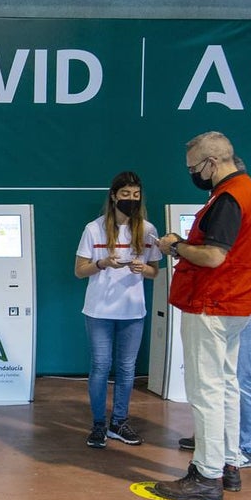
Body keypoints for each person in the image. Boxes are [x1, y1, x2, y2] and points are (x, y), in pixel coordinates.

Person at [154, 132, 251, 500]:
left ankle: (206, 474)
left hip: (212, 303)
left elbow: (213, 256)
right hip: (237, 304)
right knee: (226, 386)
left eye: (194, 168)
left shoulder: (228, 198)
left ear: (212, 163)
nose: (193, 174)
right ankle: (229, 465)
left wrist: (175, 246)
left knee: (206, 392)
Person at [178, 195, 251, 467]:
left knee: (243, 377)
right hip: (234, 303)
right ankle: (219, 441)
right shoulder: (238, 208)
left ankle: (246, 446)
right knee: (222, 378)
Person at [74, 172, 162, 449]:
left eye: (136, 196)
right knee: (101, 366)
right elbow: (79, 271)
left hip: (133, 311)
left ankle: (119, 422)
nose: (131, 200)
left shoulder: (148, 230)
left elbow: (154, 272)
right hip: (98, 311)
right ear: (114, 196)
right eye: (126, 195)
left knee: (126, 369)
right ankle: (98, 423)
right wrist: (102, 264)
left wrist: (142, 268)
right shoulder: (94, 229)